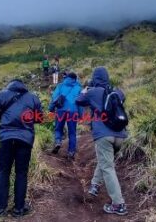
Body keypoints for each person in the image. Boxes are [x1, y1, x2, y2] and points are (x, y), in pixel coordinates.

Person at [0, 79, 43, 217]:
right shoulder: (33, 97)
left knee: (3, 172)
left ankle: (0, 209)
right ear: (24, 86)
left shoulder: (2, 94)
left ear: (10, 85)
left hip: (6, 139)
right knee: (21, 173)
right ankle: (19, 209)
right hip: (25, 139)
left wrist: (4, 116)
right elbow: (40, 118)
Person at [76, 67, 128, 216]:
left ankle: (118, 204)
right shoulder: (117, 92)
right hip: (120, 135)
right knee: (106, 161)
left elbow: (78, 101)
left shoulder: (93, 92)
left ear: (95, 78)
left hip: (103, 135)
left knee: (108, 167)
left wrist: (84, 91)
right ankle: (95, 185)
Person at [48, 72, 82, 159]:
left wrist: (51, 108)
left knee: (58, 128)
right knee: (72, 132)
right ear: (75, 78)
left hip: (61, 110)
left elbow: (54, 97)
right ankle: (71, 152)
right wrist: (80, 115)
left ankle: (58, 142)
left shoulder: (61, 85)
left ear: (67, 77)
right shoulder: (78, 87)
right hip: (73, 111)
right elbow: (80, 102)